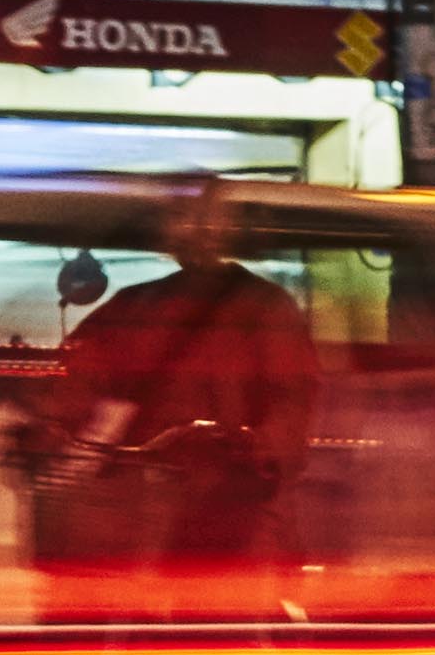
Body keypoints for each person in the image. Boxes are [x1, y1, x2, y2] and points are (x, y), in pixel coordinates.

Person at [17, 184, 319, 607]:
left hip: (231, 501)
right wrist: (48, 423)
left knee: (224, 623)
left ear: (229, 228)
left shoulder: (266, 309)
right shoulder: (135, 305)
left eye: (209, 218)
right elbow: (80, 377)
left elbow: (292, 402)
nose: (198, 231)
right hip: (142, 504)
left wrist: (259, 448)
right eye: (184, 219)